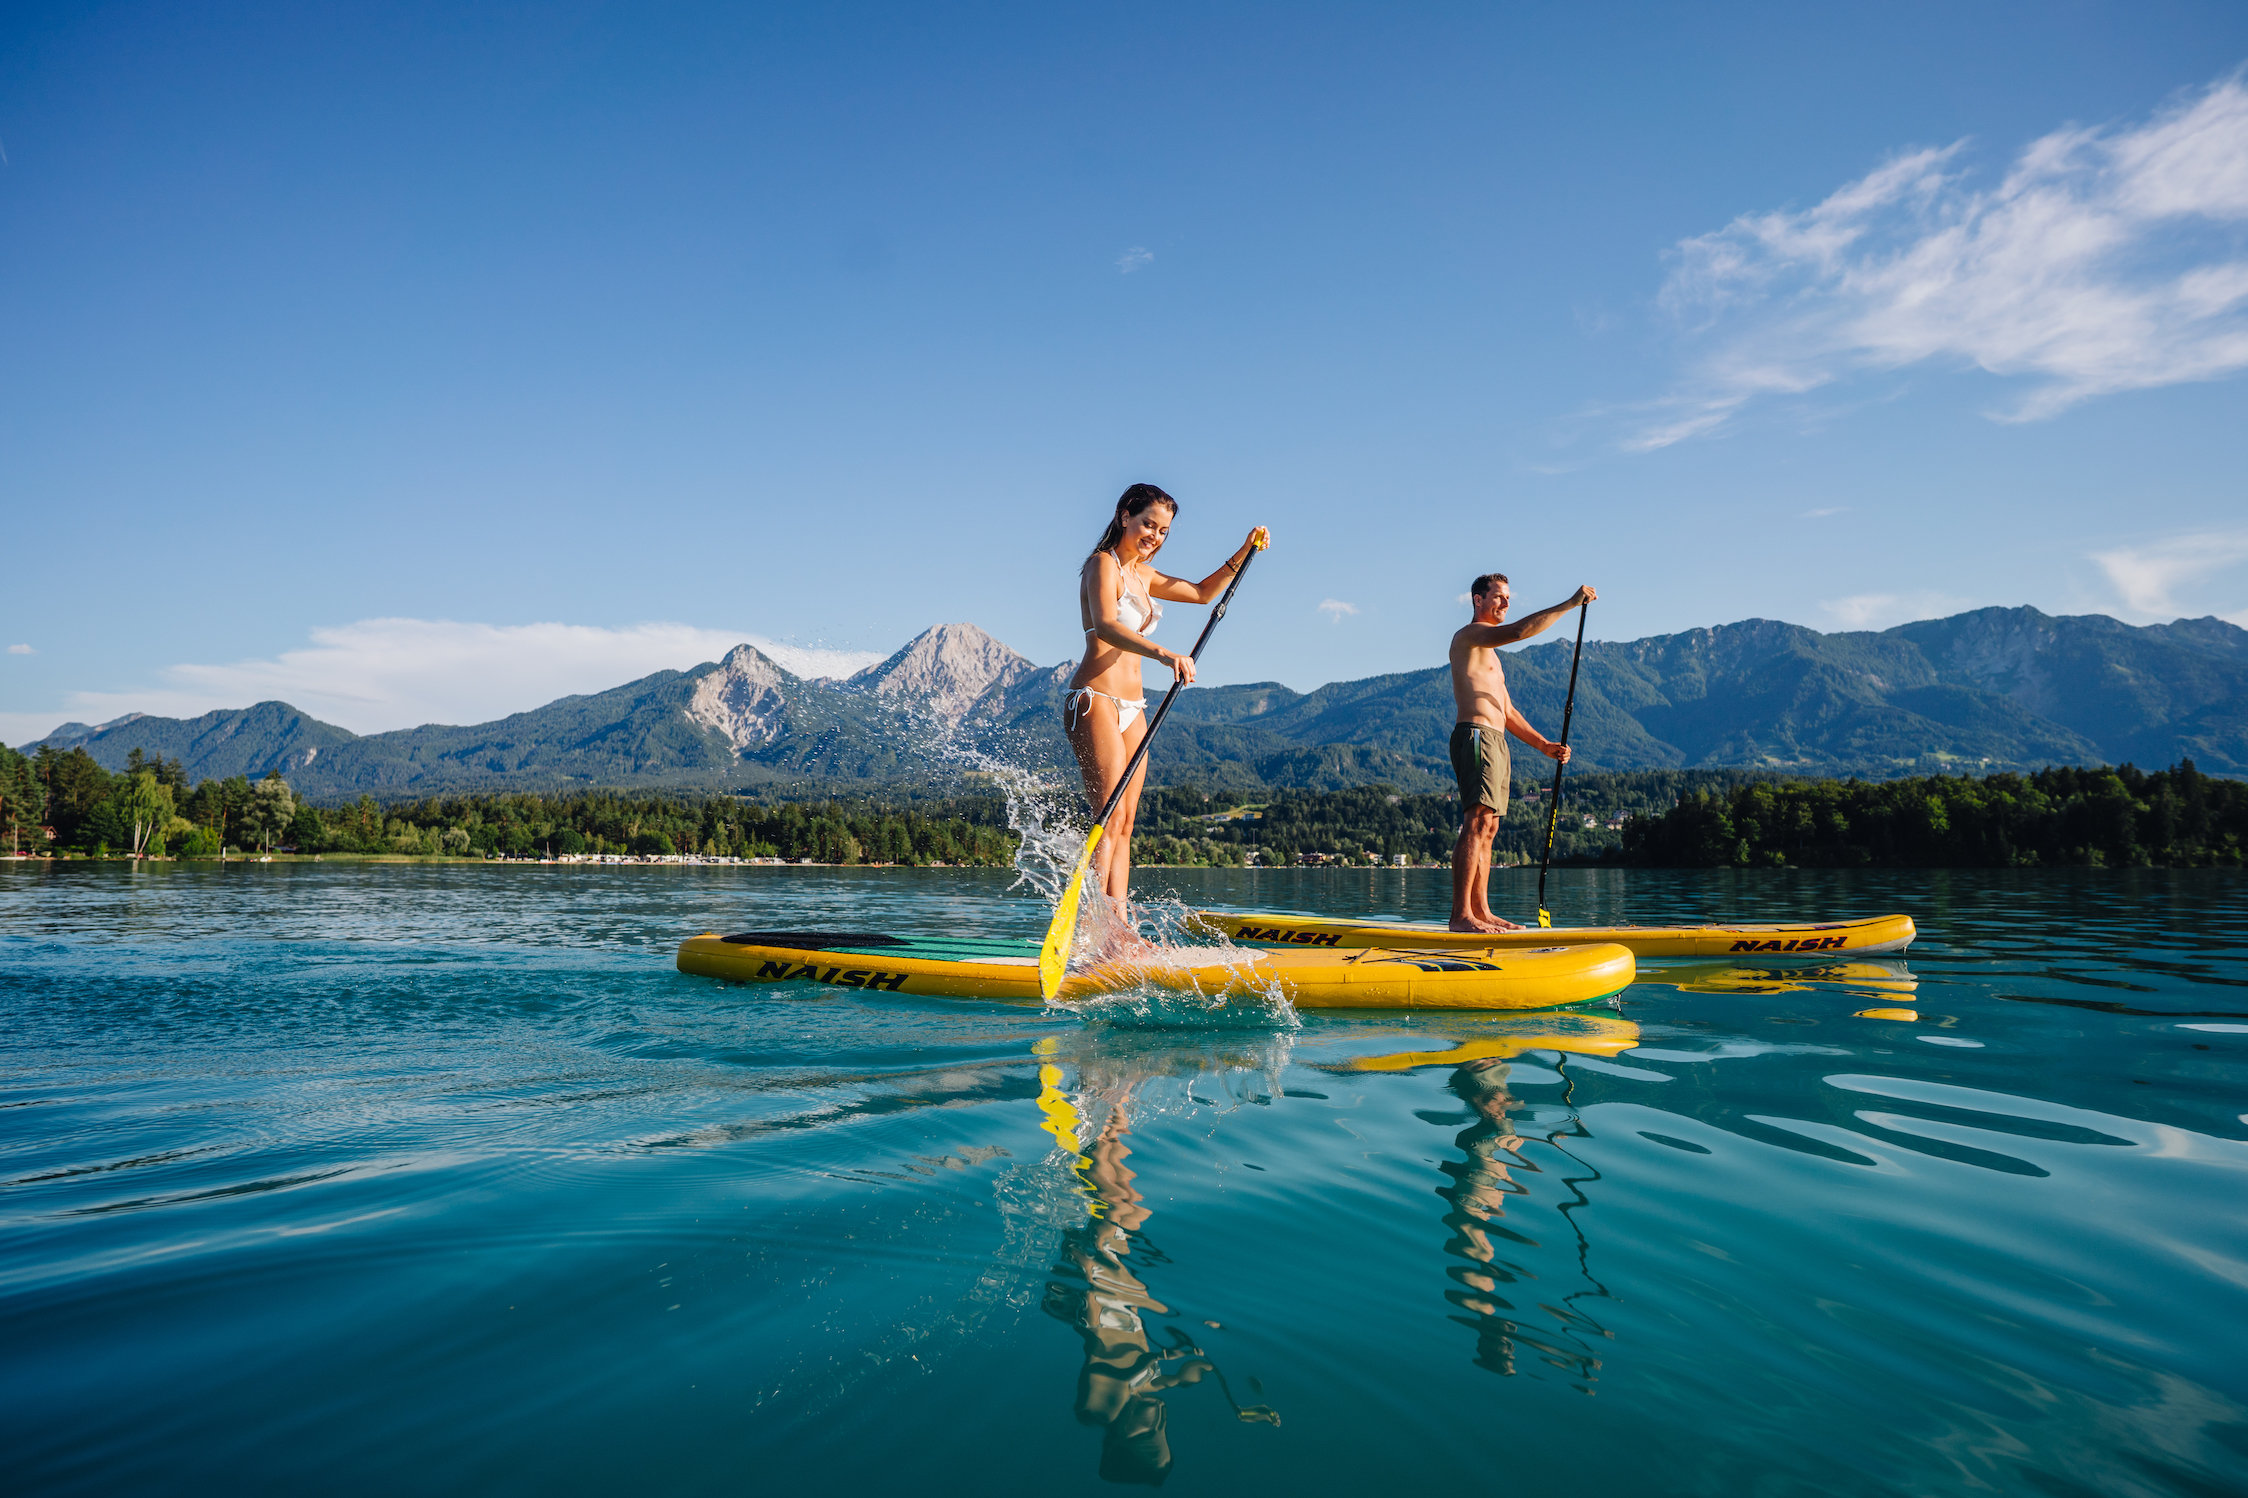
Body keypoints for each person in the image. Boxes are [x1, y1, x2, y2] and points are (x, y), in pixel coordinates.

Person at [1067, 483, 1268, 908]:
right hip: (1094, 697)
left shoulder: (1144, 575)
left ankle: (1117, 924)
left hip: (1133, 707)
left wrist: (1244, 550)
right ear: (1125, 516)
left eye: (1163, 531)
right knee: (1106, 816)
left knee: (1124, 822)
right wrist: (1163, 653)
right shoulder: (1102, 565)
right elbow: (1105, 624)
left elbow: (1200, 593)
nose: (1154, 536)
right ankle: (1088, 923)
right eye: (1147, 524)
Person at [1446, 574, 1596, 932]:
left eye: (1508, 598)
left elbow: (1508, 712)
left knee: (1491, 827)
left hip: (1497, 740)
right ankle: (1460, 915)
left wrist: (1544, 745)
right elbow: (1518, 632)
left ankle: (1481, 911)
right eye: (1498, 597)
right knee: (1477, 821)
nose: (1506, 604)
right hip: (1476, 736)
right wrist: (1568, 604)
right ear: (1477, 600)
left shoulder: (1491, 658)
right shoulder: (1469, 637)